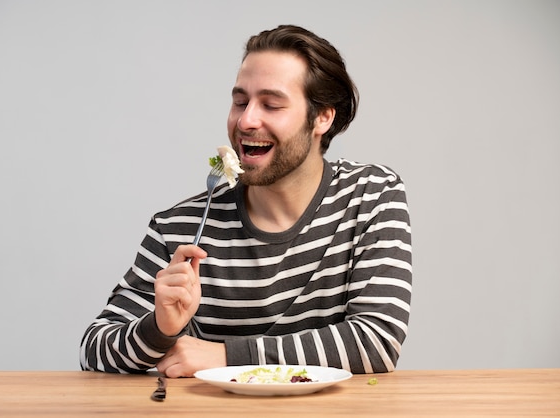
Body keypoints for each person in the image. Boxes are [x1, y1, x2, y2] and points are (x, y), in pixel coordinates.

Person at [80, 24, 412, 377]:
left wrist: (227, 356)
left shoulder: (371, 195)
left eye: (271, 104)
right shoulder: (180, 227)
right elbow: (94, 351)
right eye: (240, 101)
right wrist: (159, 328)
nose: (246, 120)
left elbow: (376, 341)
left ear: (323, 118)